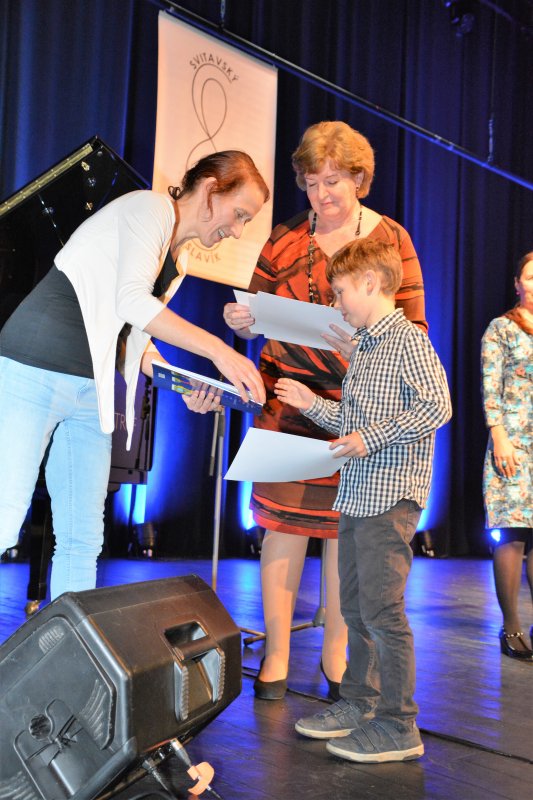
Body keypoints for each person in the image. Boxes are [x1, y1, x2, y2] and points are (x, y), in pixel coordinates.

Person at [0, 150, 268, 601]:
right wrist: (220, 351)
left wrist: (185, 385)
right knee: (4, 520)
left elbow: (134, 337)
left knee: (83, 540)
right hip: (34, 368)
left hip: (92, 390)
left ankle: (69, 647)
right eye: (239, 214)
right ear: (210, 190)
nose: (238, 230)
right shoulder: (150, 208)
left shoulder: (179, 260)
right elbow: (132, 302)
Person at [223, 121, 427, 700]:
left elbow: (415, 328)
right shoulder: (285, 237)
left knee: (346, 533)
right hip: (288, 400)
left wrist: (364, 346)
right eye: (311, 183)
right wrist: (242, 321)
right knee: (280, 529)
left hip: (360, 410)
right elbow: (255, 310)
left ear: (360, 178)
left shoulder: (391, 239)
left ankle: (336, 656)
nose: (321, 195)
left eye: (333, 181)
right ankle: (276, 656)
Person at [274, 239, 451, 762]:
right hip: (358, 495)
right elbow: (352, 427)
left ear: (371, 283)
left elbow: (437, 406)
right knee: (354, 608)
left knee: (382, 612)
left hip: (389, 497)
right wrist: (312, 404)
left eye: (340, 291)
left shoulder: (407, 340)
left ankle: (399, 725)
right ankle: (361, 703)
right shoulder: (367, 348)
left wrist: (369, 439)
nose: (336, 303)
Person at [481, 251, 533, 661]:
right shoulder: (501, 328)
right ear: (517, 283)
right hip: (513, 442)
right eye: (530, 277)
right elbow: (490, 386)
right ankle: (511, 626)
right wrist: (498, 435)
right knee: (512, 533)